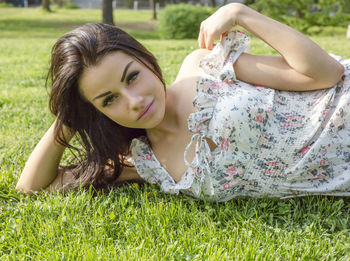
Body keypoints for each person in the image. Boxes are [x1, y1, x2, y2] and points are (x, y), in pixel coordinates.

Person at [16, 3, 349, 202]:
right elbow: (32, 188)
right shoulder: (144, 162)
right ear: (98, 112)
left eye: (131, 76)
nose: (134, 101)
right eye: (109, 99)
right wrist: (69, 117)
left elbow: (325, 75)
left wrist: (240, 13)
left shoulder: (204, 68)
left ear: (145, 59)